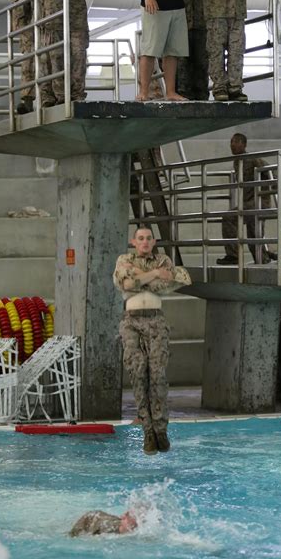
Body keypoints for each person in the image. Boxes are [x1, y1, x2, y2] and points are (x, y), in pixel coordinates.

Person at [113, 225, 191, 455]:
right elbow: (127, 285)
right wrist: (155, 274)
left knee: (157, 375)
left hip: (156, 320)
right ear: (133, 242)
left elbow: (169, 284)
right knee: (138, 373)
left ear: (154, 241)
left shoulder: (163, 259)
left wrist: (138, 275)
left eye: (148, 238)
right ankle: (147, 431)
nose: (145, 242)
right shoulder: (123, 258)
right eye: (140, 238)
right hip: (131, 321)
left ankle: (161, 429)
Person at [12, 0, 57, 114]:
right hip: (31, 18)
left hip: (49, 20)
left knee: (50, 58)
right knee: (30, 59)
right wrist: (19, 19)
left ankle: (49, 98)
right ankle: (28, 98)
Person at [217, 132, 273, 265]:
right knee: (253, 237)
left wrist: (265, 191)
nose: (232, 145)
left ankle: (233, 255)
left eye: (236, 142)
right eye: (231, 142)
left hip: (259, 202)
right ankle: (263, 261)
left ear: (244, 145)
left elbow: (271, 172)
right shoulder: (237, 161)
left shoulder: (253, 159)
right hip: (249, 203)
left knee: (229, 217)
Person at [70, 510, 138, 537]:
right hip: (90, 518)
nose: (138, 522)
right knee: (72, 536)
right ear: (124, 517)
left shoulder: (137, 529)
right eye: (136, 519)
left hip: (102, 517)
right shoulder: (109, 526)